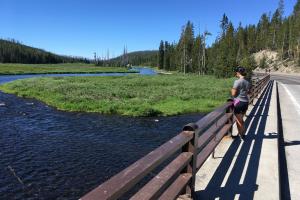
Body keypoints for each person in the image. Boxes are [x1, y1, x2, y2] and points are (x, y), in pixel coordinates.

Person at [231, 66, 250, 139]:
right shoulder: (247, 81)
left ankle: (242, 135)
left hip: (238, 102)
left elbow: (233, 94)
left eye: (236, 72)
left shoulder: (237, 81)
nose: (235, 73)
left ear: (238, 73)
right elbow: (249, 92)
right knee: (241, 119)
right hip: (245, 102)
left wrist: (231, 90)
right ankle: (241, 134)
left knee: (239, 120)